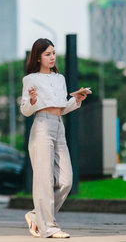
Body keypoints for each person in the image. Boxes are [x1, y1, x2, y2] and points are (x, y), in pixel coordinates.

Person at [20, 38, 87, 238]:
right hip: (41, 126)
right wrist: (32, 101)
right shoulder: (30, 79)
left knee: (66, 180)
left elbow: (62, 107)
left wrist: (76, 100)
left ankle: (36, 215)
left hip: (59, 126)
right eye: (47, 54)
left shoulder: (60, 78)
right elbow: (25, 110)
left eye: (54, 53)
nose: (52, 57)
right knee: (44, 179)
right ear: (38, 57)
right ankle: (48, 226)